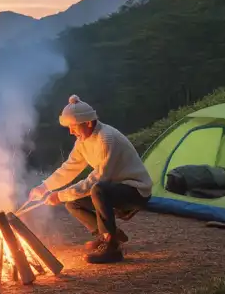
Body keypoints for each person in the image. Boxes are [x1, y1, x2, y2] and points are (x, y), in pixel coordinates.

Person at [28, 95, 153, 264]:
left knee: (98, 189)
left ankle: (112, 248)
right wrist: (44, 187)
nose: (71, 132)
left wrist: (60, 195)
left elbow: (99, 178)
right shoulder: (83, 141)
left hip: (135, 190)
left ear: (87, 123)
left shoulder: (106, 138)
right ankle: (108, 235)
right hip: (113, 188)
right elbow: (69, 168)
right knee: (73, 202)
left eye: (73, 127)